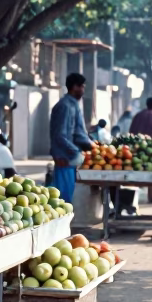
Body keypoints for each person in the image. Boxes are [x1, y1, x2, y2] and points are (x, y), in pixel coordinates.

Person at [50, 73, 94, 204]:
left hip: (70, 159)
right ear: (75, 87)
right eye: (82, 87)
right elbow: (60, 136)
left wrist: (90, 144)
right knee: (62, 199)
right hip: (65, 158)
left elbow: (77, 132)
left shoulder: (73, 105)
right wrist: (75, 152)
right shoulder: (65, 106)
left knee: (66, 197)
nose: (83, 90)